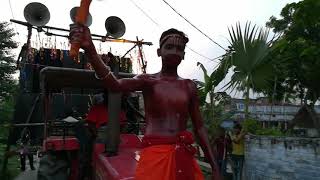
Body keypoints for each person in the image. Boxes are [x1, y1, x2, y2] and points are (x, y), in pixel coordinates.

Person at [69, 25, 221, 180]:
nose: (175, 51)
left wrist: (215, 167)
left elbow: (200, 128)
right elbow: (115, 85)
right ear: (159, 52)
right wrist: (90, 51)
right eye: (169, 47)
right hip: (154, 158)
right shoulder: (147, 81)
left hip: (184, 157)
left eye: (179, 48)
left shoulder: (189, 86)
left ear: (183, 55)